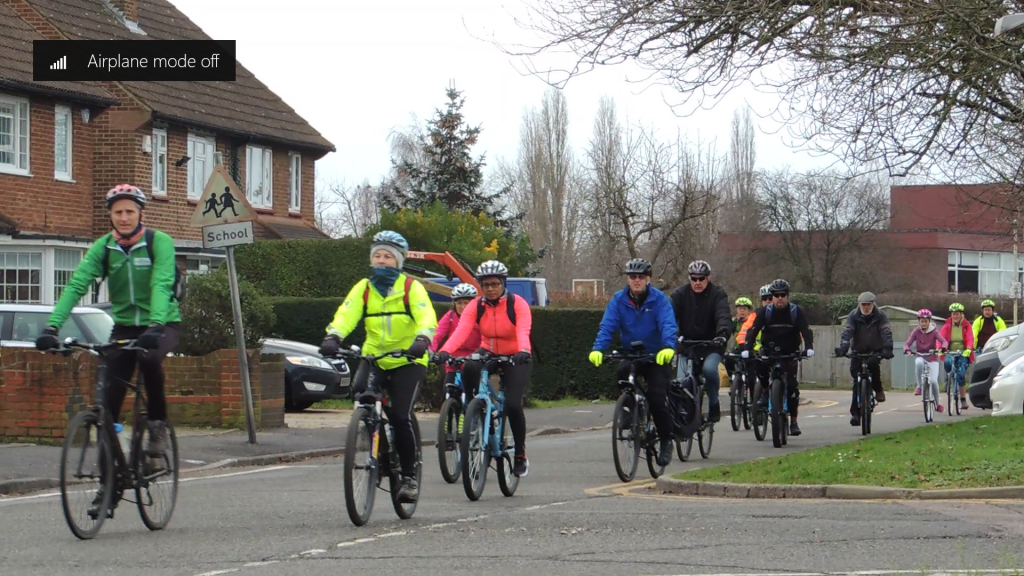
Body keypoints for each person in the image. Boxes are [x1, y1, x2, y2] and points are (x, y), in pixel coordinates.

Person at [36, 185, 182, 514]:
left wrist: (156, 325)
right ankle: (108, 486)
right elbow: (76, 286)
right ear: (111, 217)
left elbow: (160, 284)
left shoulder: (159, 242)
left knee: (148, 358)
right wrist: (51, 327)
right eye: (118, 212)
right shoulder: (103, 248)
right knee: (106, 409)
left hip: (163, 323)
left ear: (141, 213)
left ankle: (157, 426)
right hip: (125, 326)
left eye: (130, 211)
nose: (125, 217)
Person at [319, 230, 438, 502]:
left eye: (387, 256)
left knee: (399, 415)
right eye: (377, 256)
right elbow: (346, 314)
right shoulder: (364, 287)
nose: (381, 261)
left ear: (398, 261)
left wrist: (422, 339)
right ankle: (378, 445)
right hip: (375, 357)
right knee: (362, 395)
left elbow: (425, 316)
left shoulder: (411, 287)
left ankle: (408, 476)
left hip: (408, 359)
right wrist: (333, 336)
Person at [434, 260, 533, 477]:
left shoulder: (517, 304)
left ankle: (520, 455)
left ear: (503, 283)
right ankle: (474, 410)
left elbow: (523, 330)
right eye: (485, 285)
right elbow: (461, 331)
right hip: (488, 350)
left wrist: (523, 350)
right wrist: (445, 351)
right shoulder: (476, 305)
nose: (489, 289)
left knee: (514, 405)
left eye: (494, 284)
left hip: (516, 354)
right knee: (469, 365)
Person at [588, 258, 678, 467]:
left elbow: (668, 324)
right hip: (631, 352)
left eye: (641, 277)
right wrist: (597, 349)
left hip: (656, 354)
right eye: (632, 277)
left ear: (648, 279)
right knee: (622, 373)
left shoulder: (659, 300)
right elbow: (607, 326)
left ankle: (666, 439)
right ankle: (629, 410)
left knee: (657, 397)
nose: (636, 280)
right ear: (628, 279)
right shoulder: (619, 300)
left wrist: (667, 347)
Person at [741, 279, 814, 436]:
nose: (779, 298)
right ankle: (766, 391)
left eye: (783, 295)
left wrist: (808, 348)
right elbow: (753, 330)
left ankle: (793, 421)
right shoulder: (765, 312)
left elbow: (806, 330)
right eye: (776, 295)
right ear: (772, 296)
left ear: (787, 296)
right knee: (759, 366)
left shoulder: (795, 311)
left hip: (790, 352)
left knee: (793, 386)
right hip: (770, 351)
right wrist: (747, 348)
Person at [669, 260, 732, 422]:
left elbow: (723, 315)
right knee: (680, 381)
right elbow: (669, 319)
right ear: (689, 278)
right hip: (687, 345)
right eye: (694, 278)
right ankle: (682, 414)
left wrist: (722, 334)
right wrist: (670, 335)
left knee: (710, 370)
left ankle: (713, 403)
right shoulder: (680, 294)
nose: (697, 282)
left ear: (708, 278)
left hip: (711, 345)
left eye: (701, 279)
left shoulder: (717, 294)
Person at [835, 291, 894, 427]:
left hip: (875, 350)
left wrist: (888, 349)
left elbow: (886, 332)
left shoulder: (881, 316)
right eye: (863, 305)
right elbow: (847, 332)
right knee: (857, 380)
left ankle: (878, 389)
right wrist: (844, 347)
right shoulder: (853, 316)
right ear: (859, 305)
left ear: (873, 304)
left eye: (868, 305)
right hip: (858, 351)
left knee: (874, 368)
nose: (866, 307)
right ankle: (855, 414)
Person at [430, 283, 482, 392]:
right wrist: (430, 350)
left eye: (466, 303)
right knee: (447, 391)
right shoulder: (451, 316)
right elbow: (437, 333)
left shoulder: (480, 317)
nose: (463, 307)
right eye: (459, 303)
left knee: (474, 391)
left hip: (475, 356)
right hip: (454, 358)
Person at [904, 309, 948, 410]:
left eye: (926, 321)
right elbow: (907, 343)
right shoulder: (916, 331)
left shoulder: (934, 331)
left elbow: (944, 341)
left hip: (932, 358)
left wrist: (943, 348)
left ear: (929, 321)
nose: (924, 324)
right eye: (922, 321)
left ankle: (937, 404)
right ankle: (919, 386)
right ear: (919, 321)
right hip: (920, 355)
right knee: (918, 363)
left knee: (933, 381)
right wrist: (907, 349)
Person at [940, 302, 974, 412]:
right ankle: (949, 378)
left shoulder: (966, 325)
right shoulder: (947, 325)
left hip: (963, 352)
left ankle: (963, 399)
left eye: (957, 314)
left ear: (961, 315)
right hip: (950, 351)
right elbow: (941, 338)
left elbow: (970, 338)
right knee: (947, 363)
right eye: (953, 314)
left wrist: (968, 349)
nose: (955, 316)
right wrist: (940, 349)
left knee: (961, 375)